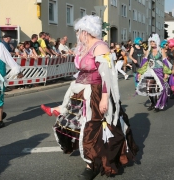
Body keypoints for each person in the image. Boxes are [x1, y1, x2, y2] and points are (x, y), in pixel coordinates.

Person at [40, 15, 138, 179]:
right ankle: (91, 157)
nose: (77, 35)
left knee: (92, 128)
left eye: (78, 31)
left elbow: (107, 77)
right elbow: (81, 70)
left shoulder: (100, 47)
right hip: (81, 91)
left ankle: (91, 165)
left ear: (86, 32)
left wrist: (105, 99)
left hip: (96, 92)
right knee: (80, 126)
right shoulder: (83, 47)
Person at [136, 34, 172, 112]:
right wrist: (140, 72)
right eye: (151, 41)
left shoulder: (161, 50)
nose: (152, 43)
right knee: (149, 89)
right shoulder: (148, 51)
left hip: (159, 71)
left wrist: (166, 73)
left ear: (157, 41)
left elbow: (165, 62)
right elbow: (145, 62)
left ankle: (158, 105)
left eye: (153, 41)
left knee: (161, 88)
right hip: (150, 71)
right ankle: (153, 103)